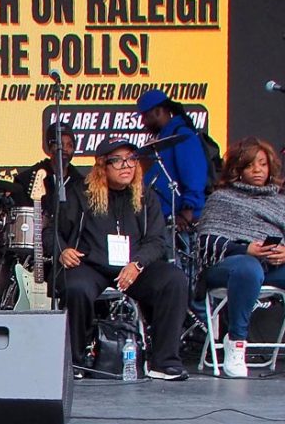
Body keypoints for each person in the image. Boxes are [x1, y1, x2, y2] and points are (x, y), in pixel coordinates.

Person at [47, 136, 190, 381]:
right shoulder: (80, 193)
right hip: (90, 264)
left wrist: (137, 264)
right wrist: (63, 250)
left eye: (132, 159)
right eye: (118, 161)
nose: (127, 166)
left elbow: (157, 240)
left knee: (174, 280)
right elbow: (52, 230)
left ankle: (164, 362)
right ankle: (75, 362)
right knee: (76, 287)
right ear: (102, 165)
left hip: (133, 267)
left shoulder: (145, 196)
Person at [196, 137, 285, 380]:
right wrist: (245, 250)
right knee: (248, 268)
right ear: (238, 169)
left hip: (272, 266)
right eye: (250, 165)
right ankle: (236, 342)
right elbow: (205, 242)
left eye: (263, 164)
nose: (258, 170)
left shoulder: (281, 202)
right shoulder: (221, 199)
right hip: (229, 266)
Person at [136, 90, 207, 231]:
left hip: (182, 221)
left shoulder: (182, 135)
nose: (143, 122)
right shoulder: (162, 137)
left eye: (145, 116)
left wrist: (188, 209)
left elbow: (194, 176)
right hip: (163, 217)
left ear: (158, 111)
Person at [12, 122, 84, 216]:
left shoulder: (80, 182)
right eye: (60, 144)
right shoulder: (27, 179)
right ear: (50, 148)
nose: (65, 149)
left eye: (69, 145)